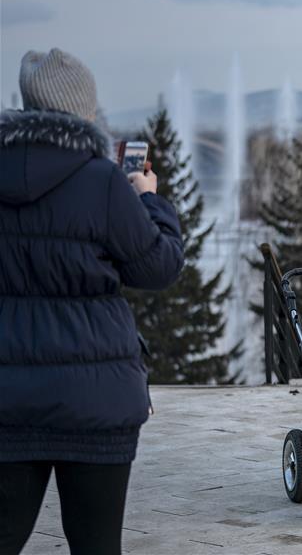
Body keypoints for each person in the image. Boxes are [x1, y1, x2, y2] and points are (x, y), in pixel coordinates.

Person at [0, 48, 184, 555]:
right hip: (95, 398)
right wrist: (148, 198)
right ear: (84, 110)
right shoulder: (102, 180)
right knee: (97, 545)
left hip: (7, 396)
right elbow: (159, 267)